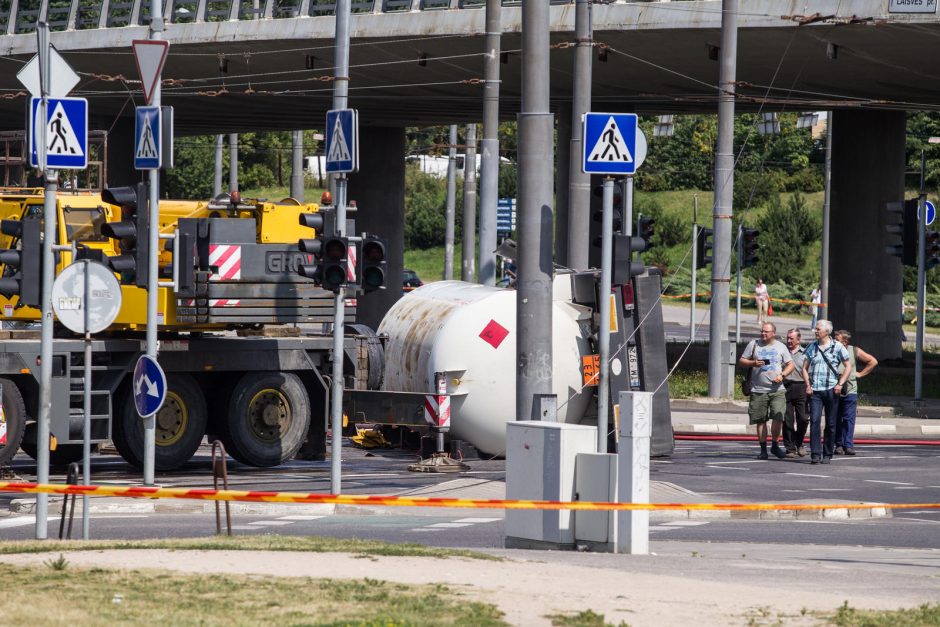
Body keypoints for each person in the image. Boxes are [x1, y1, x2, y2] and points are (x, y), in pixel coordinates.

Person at [739, 322, 793, 460]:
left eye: (766, 332)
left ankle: (775, 444)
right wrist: (753, 363)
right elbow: (742, 361)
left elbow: (790, 364)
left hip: (777, 389)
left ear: (773, 333)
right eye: (762, 331)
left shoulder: (781, 347)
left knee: (778, 416)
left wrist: (782, 375)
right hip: (758, 389)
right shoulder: (754, 344)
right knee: (760, 420)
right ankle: (763, 449)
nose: (763, 334)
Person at [802, 320, 851, 464]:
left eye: (818, 329)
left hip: (831, 389)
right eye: (816, 329)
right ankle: (815, 454)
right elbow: (804, 367)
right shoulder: (812, 347)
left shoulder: (838, 347)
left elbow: (847, 366)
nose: (815, 331)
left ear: (827, 331)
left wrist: (840, 384)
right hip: (816, 390)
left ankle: (828, 453)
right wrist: (807, 385)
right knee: (815, 421)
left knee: (831, 423)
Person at [834, 330, 878, 456]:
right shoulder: (831, 350)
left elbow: (873, 361)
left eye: (837, 340)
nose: (834, 342)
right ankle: (838, 445)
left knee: (849, 418)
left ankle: (848, 445)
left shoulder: (853, 350)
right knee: (836, 418)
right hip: (835, 388)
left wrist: (859, 374)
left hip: (850, 389)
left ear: (845, 342)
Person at [782, 328, 808, 457]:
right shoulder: (782, 351)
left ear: (798, 339)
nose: (788, 341)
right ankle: (790, 447)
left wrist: (810, 386)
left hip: (801, 387)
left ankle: (800, 442)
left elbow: (810, 371)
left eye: (791, 338)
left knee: (803, 418)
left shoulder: (806, 353)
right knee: (787, 420)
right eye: (787, 338)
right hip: (785, 386)